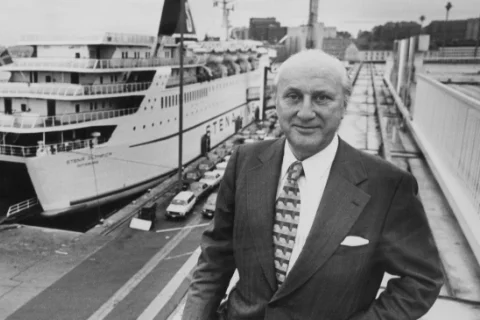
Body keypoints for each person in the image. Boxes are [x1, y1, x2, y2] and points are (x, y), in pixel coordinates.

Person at [182, 50, 444, 320]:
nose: (305, 113)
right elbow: (215, 257)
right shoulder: (243, 162)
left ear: (344, 105)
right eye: (293, 96)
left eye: (322, 98)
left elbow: (423, 278)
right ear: (276, 101)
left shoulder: (387, 185)